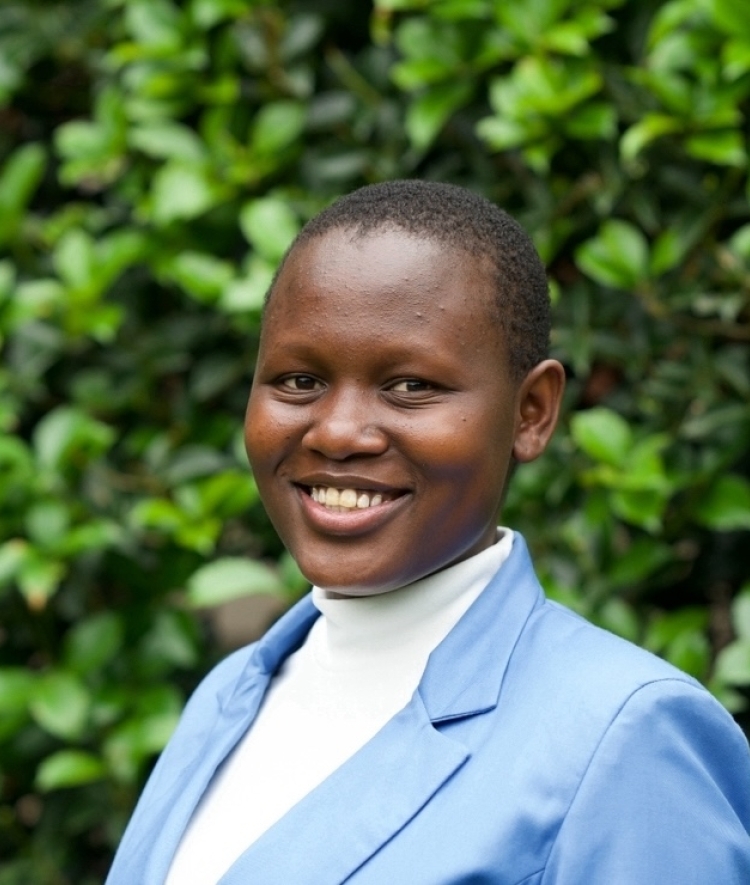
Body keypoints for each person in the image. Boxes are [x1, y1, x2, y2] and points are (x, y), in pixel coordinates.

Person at [106, 181, 750, 884]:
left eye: (410, 386)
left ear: (532, 411)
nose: (338, 431)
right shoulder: (231, 695)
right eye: (297, 380)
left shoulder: (624, 736)